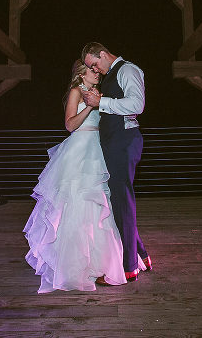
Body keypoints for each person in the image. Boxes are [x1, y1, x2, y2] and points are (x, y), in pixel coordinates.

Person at [23, 60, 126, 293]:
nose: (97, 72)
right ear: (81, 73)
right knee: (74, 204)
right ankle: (72, 265)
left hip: (96, 149)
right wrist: (89, 106)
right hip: (79, 150)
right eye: (92, 69)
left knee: (96, 205)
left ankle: (100, 263)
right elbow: (69, 125)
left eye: (97, 69)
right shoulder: (75, 92)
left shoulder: (97, 93)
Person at [80, 42, 151, 284]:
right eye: (92, 68)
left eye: (94, 64)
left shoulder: (127, 70)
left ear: (101, 54)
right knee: (118, 200)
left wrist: (102, 102)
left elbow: (137, 105)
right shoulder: (113, 74)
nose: (95, 70)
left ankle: (129, 267)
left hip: (124, 141)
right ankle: (141, 254)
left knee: (121, 200)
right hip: (114, 143)